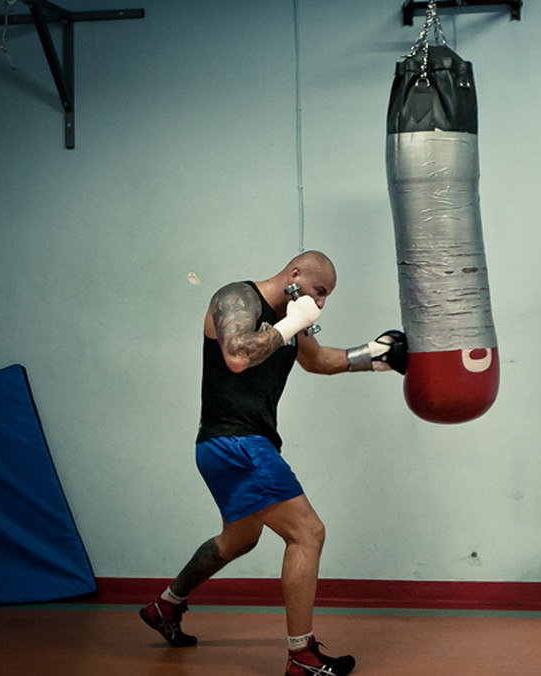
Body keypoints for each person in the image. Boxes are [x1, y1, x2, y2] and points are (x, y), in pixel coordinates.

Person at [140, 251, 406, 676]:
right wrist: (292, 323)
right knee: (308, 533)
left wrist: (377, 356)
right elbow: (237, 354)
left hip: (234, 445)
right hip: (235, 441)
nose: (320, 303)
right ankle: (302, 658)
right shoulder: (237, 298)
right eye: (320, 292)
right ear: (295, 274)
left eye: (326, 297)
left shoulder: (291, 319)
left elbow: (317, 361)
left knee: (240, 538)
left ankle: (165, 606)